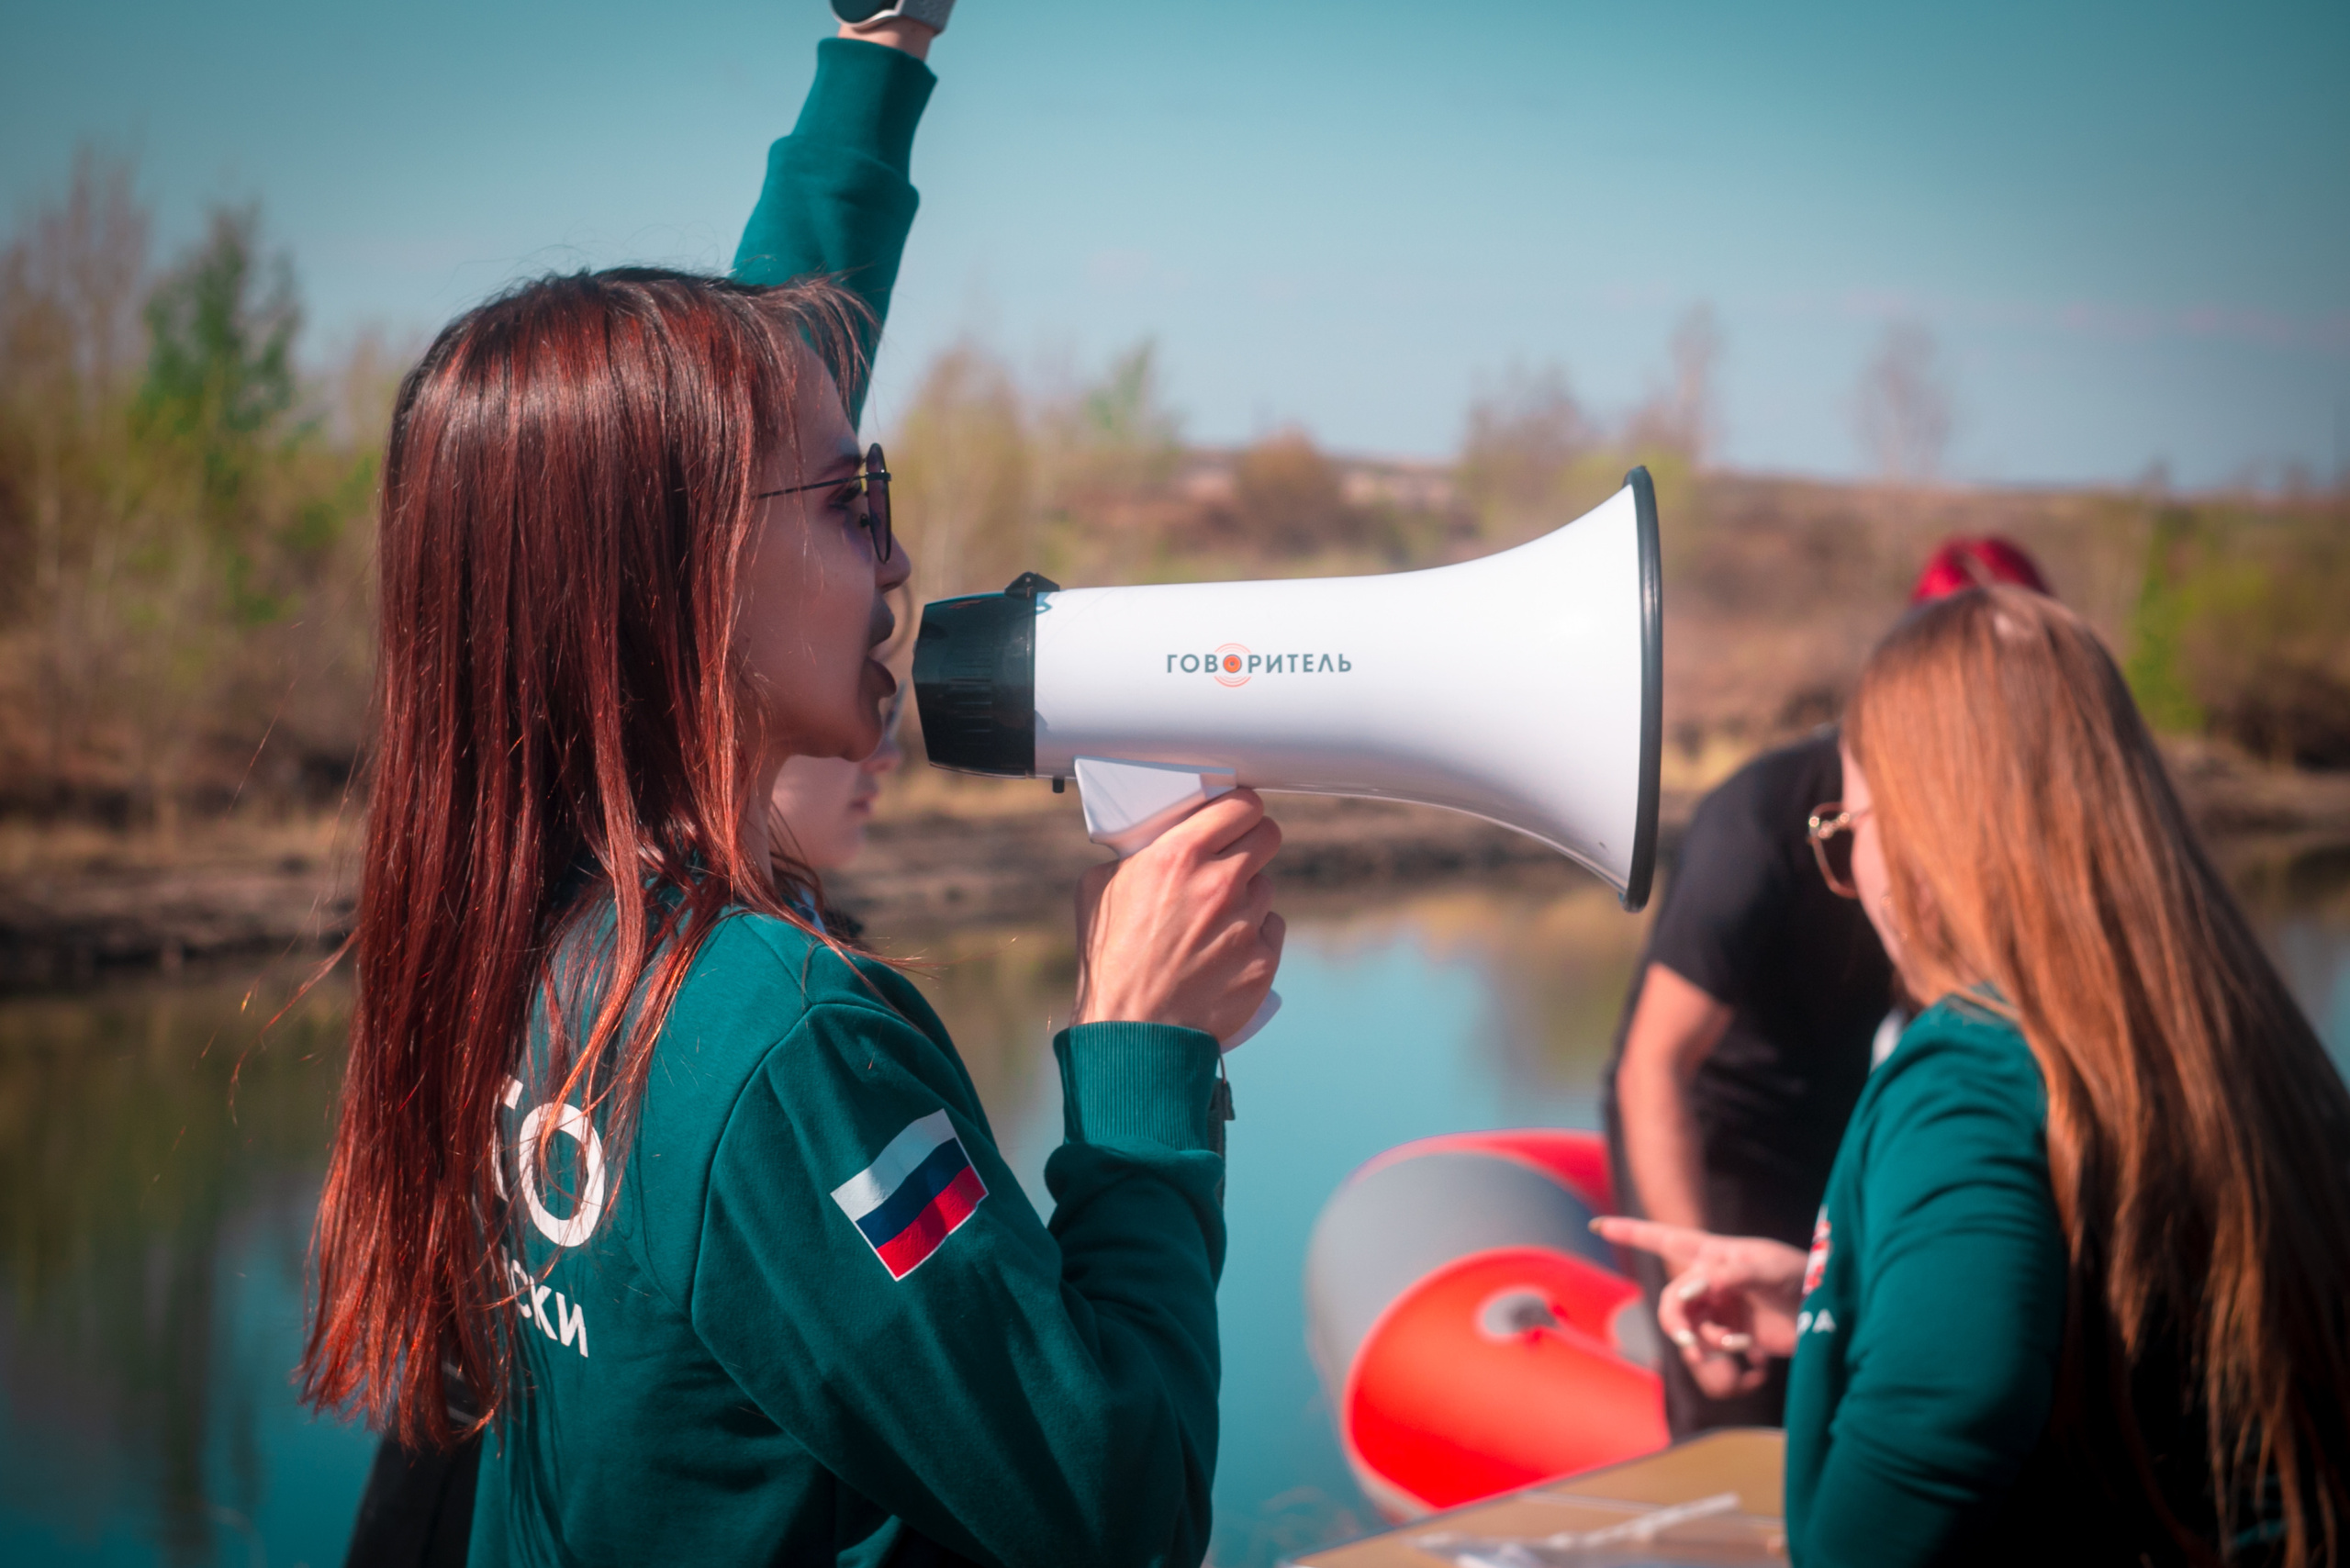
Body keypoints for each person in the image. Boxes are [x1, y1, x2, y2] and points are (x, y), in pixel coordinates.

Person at [306, 14, 1289, 1568]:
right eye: (855, 503)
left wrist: (872, 57)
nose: (900, 558)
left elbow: (734, 406)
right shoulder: (779, 1043)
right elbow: (1114, 1503)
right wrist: (1145, 1061)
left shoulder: (530, 904)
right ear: (673, 583)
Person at [1599, 586, 2350, 1566]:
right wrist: (1843, 1307)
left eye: (1851, 822)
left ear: (1920, 831)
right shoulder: (2245, 1037)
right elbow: (2128, 1327)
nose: (1850, 861)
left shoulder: (1966, 1073)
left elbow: (1933, 1434)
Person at [1601, 536, 2051, 1436]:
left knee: (1861, 1379)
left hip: (1843, 1115)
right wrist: (1695, 1266)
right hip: (1719, 1130)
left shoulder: (1999, 817)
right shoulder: (1760, 822)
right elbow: (1652, 1064)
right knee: (1744, 1402)